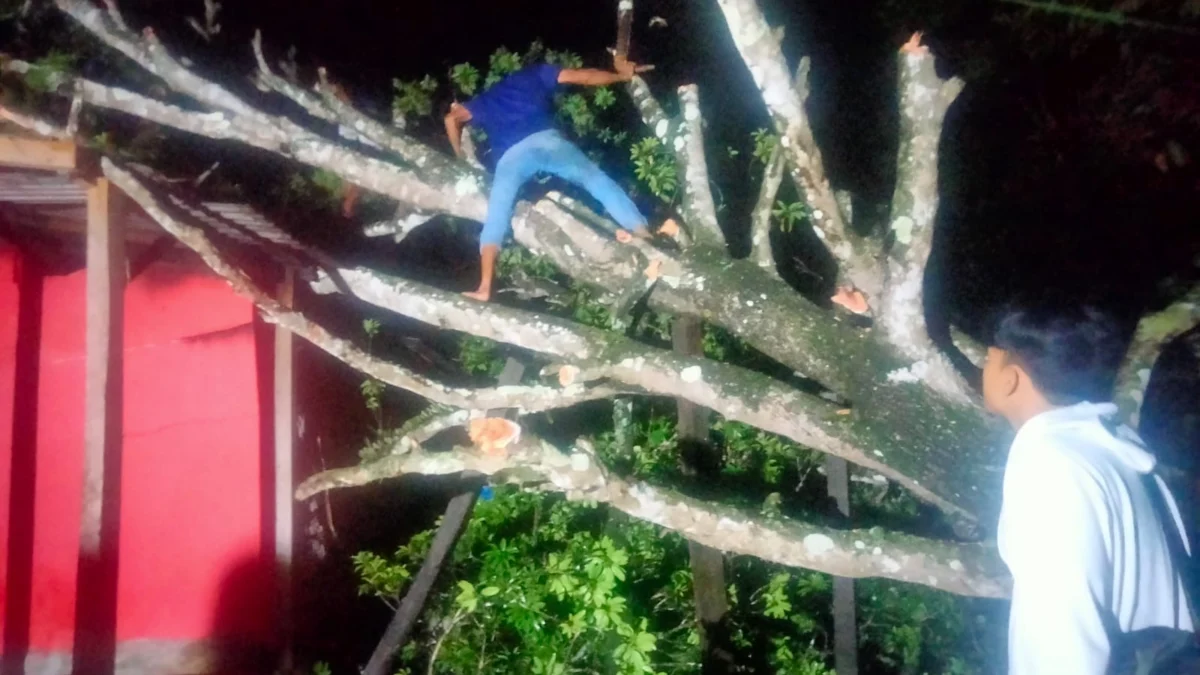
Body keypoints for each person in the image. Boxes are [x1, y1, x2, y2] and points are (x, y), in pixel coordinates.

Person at [982, 300, 1194, 674]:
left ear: (1010, 378)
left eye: (989, 358)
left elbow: (1062, 628)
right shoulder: (1114, 447)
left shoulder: (1052, 464)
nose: (982, 368)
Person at [444, 54, 655, 302]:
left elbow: (450, 119)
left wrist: (459, 156)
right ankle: (642, 233)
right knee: (594, 180)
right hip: (548, 142)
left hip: (511, 158)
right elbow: (586, 77)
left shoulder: (484, 100)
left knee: (497, 214)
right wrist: (621, 76)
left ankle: (484, 287)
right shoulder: (536, 73)